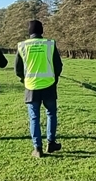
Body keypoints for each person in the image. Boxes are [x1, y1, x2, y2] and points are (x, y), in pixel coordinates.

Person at [15, 20, 63, 157]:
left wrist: (24, 80)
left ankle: (37, 148)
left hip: (31, 87)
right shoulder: (50, 44)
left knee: (34, 118)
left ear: (29, 32)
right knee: (51, 114)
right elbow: (58, 66)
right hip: (49, 85)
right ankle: (51, 142)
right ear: (42, 31)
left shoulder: (22, 46)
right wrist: (55, 79)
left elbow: (18, 69)